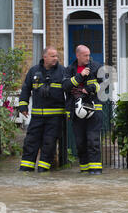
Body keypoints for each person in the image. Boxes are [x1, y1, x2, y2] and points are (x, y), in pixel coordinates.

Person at [18, 46, 66, 172]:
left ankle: (43, 171)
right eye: (53, 56)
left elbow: (69, 91)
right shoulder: (34, 71)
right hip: (37, 117)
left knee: (49, 144)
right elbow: (26, 89)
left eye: (56, 56)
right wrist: (23, 105)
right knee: (30, 142)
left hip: (55, 117)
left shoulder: (62, 71)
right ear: (44, 57)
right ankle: (26, 169)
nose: (56, 58)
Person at [63, 45, 103, 175]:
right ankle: (85, 170)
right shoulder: (69, 69)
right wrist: (80, 76)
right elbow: (65, 86)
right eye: (85, 55)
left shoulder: (96, 67)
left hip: (93, 109)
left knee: (93, 140)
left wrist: (90, 88)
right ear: (78, 55)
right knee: (80, 142)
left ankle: (96, 170)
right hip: (76, 111)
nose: (88, 58)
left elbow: (103, 85)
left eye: (88, 55)